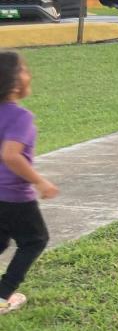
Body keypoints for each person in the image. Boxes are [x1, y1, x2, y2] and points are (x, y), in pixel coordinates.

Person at [0, 50, 58, 314]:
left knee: (1, 241)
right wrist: (40, 182)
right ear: (13, 83)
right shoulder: (20, 117)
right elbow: (11, 155)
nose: (28, 74)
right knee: (34, 240)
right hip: (14, 196)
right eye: (23, 69)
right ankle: (3, 295)